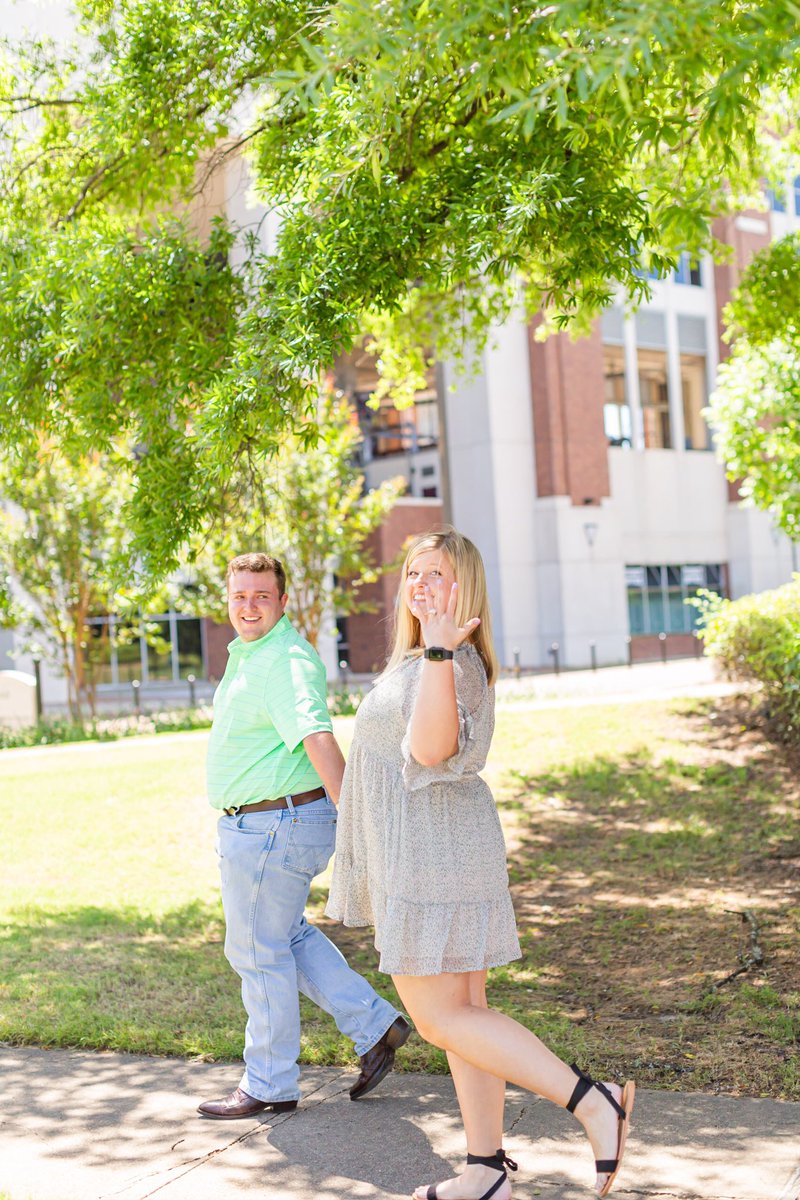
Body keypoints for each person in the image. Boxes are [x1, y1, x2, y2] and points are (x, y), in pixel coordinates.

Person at [326, 529, 635, 1199]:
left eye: (435, 574)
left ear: (464, 586)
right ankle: (485, 1169)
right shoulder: (429, 658)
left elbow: (431, 750)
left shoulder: (451, 660)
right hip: (436, 852)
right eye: (412, 572)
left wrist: (437, 647)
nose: (419, 584)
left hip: (433, 859)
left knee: (440, 1019)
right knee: (465, 1014)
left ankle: (592, 1102)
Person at [198, 551, 410, 1120]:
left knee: (256, 950)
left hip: (275, 824)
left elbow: (317, 736)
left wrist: (357, 821)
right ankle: (375, 1025)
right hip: (267, 822)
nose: (248, 606)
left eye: (261, 596)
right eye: (239, 595)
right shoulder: (251, 653)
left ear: (283, 601)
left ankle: (269, 1082)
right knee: (284, 936)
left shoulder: (284, 660)